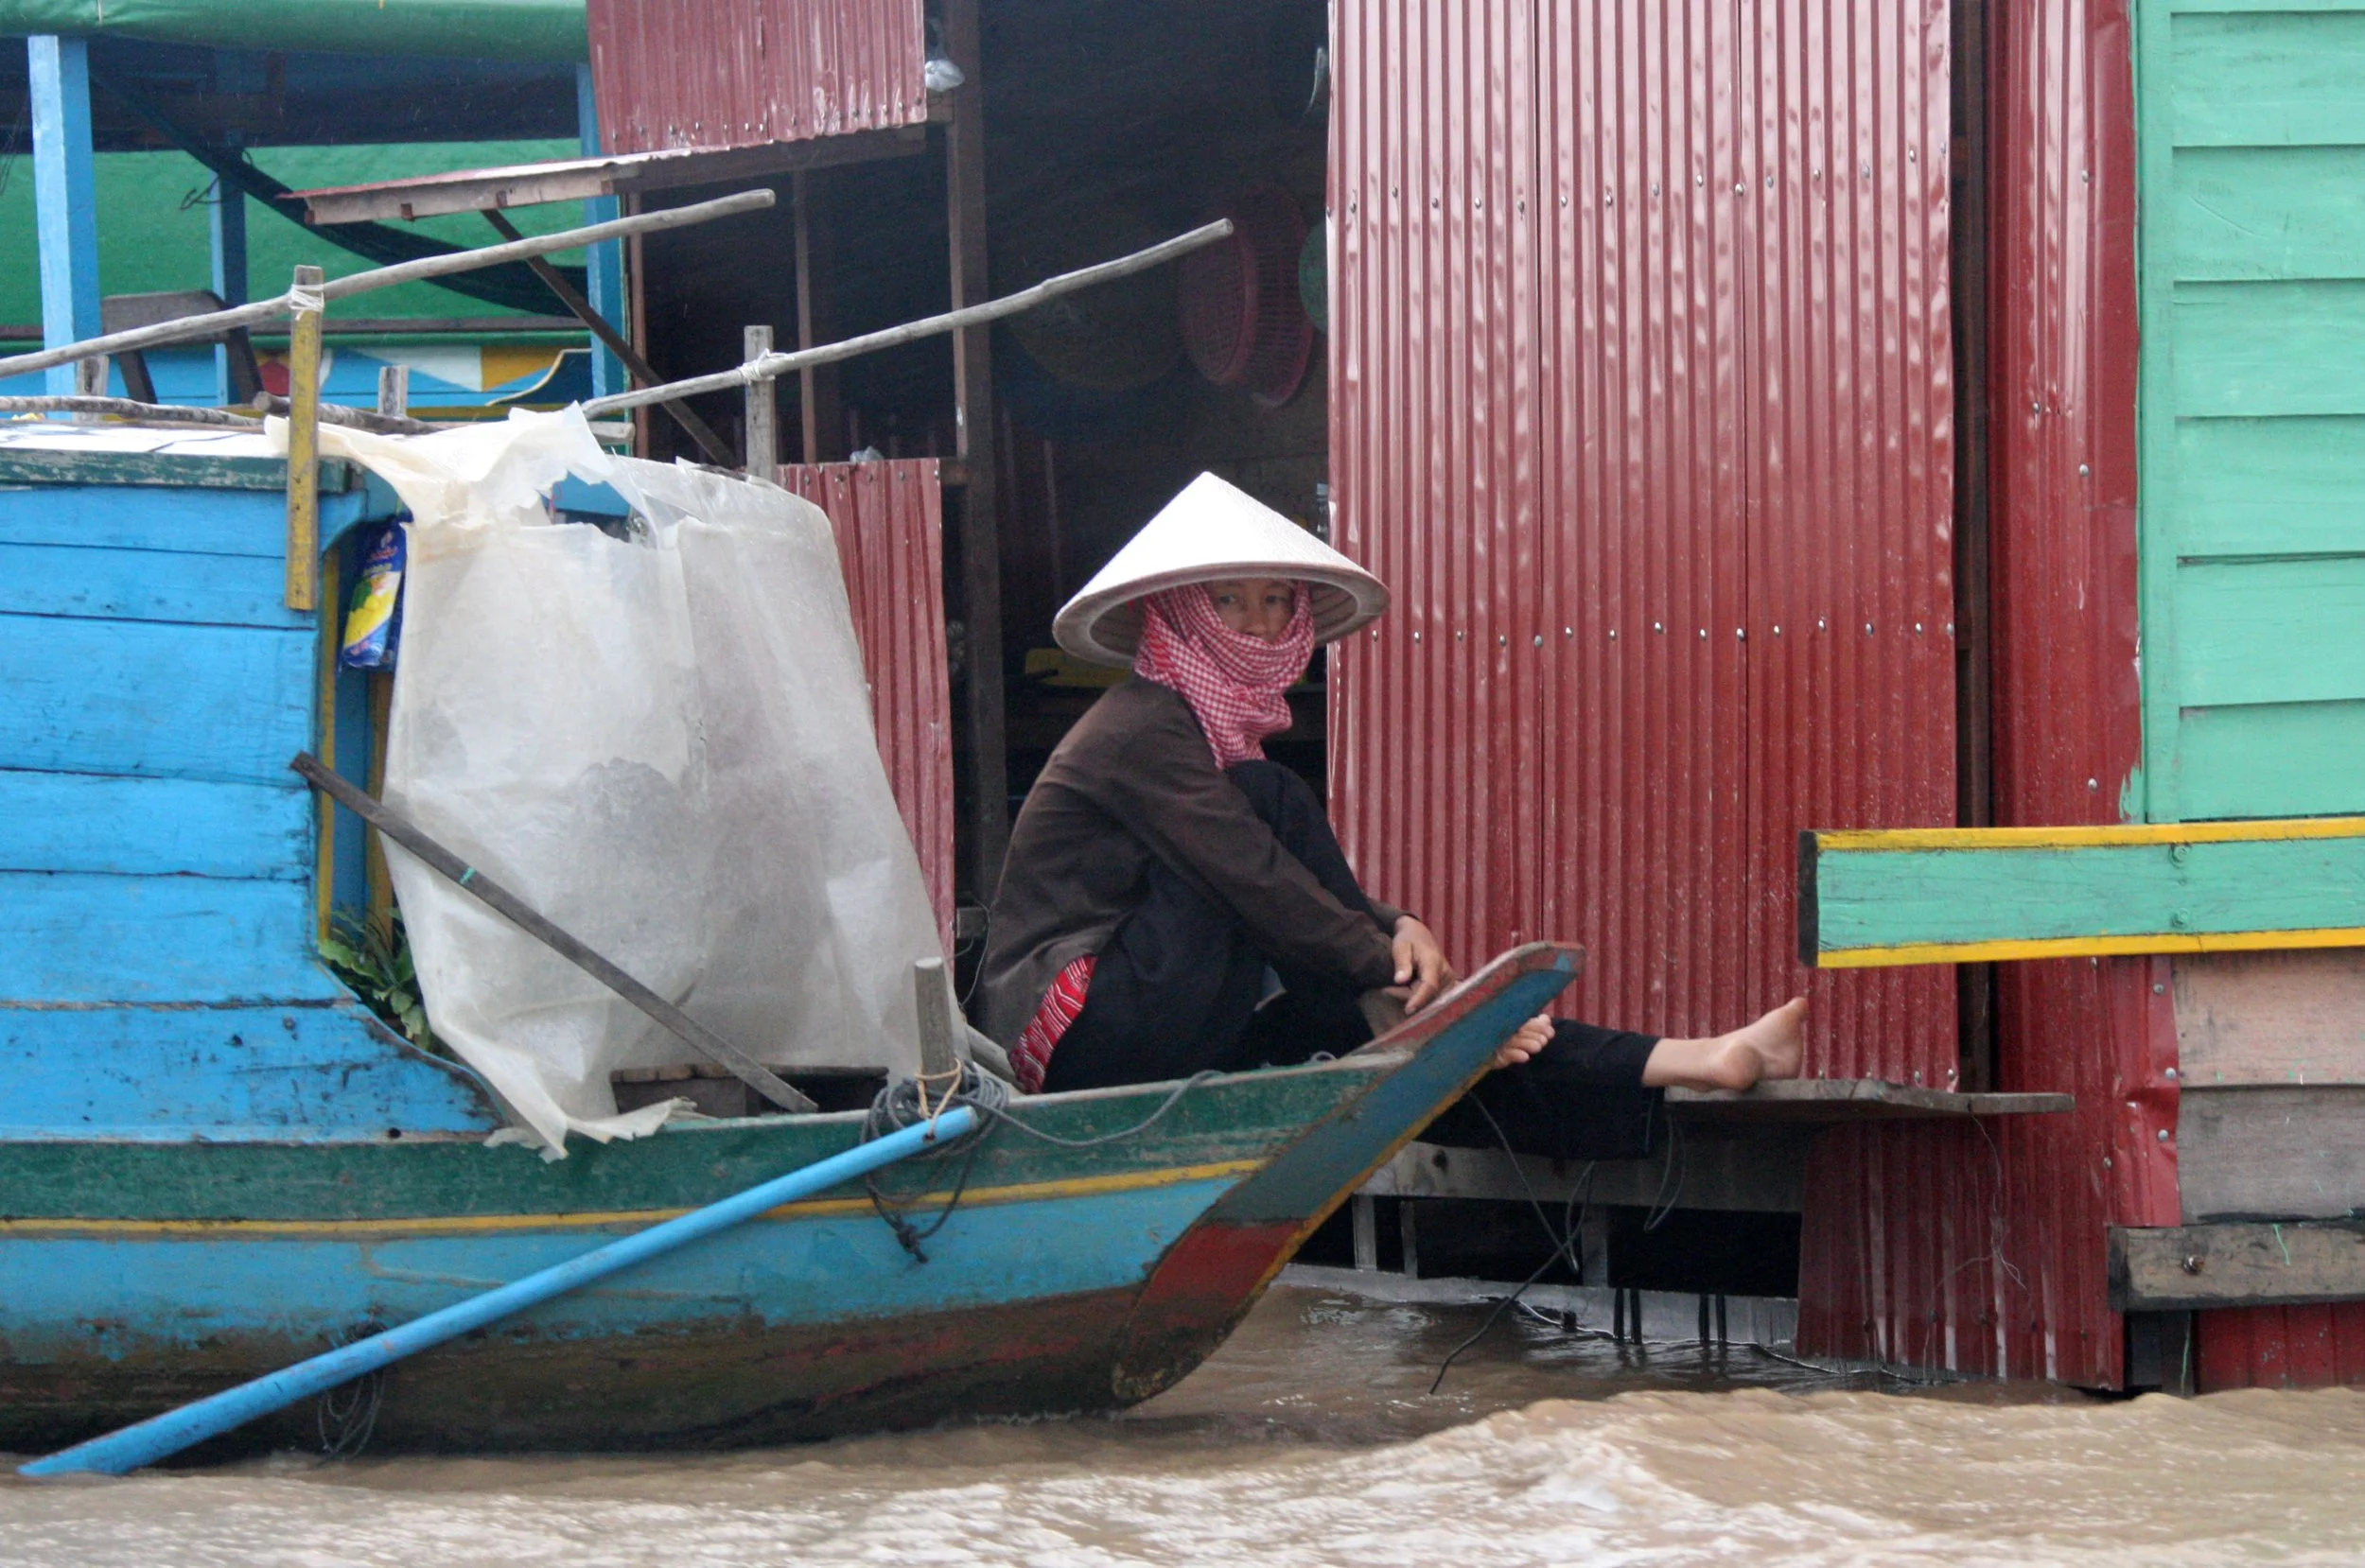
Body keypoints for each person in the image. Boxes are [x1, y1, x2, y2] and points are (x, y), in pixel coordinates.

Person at [976, 472, 1805, 1115]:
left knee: (1418, 1049)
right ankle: (1411, 1006)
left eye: (1274, 601)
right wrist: (1387, 956)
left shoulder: (1197, 733)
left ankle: (1693, 1059)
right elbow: (1249, 871)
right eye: (1229, 600)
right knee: (1268, 800)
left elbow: (1266, 877)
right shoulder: (1141, 728)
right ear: (1178, 613)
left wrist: (1394, 930)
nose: (1260, 626)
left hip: (1161, 1013)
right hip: (1079, 1025)